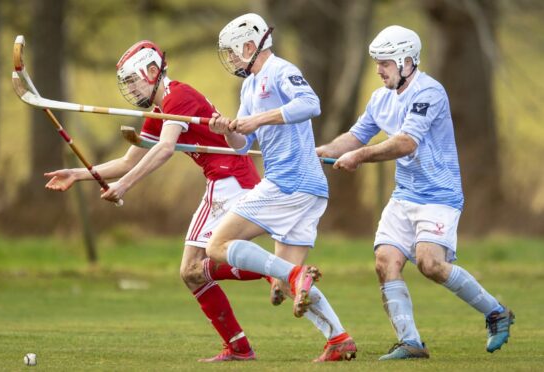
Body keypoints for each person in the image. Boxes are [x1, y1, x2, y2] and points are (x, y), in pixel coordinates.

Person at [44, 40, 266, 362]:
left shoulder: (178, 96)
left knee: (191, 269)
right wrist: (76, 174)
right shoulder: (160, 111)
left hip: (229, 180)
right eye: (128, 84)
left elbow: (163, 150)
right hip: (225, 181)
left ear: (152, 71)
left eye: (133, 80)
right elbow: (127, 161)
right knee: (192, 273)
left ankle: (276, 274)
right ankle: (241, 344)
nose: (131, 89)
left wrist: (123, 187)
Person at [316, 25, 515, 360]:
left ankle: (496, 313)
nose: (379, 69)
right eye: (377, 62)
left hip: (439, 194)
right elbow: (354, 138)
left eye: (386, 62)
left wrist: (359, 157)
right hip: (404, 195)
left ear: (407, 61)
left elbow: (406, 142)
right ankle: (410, 342)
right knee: (385, 261)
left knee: (430, 263)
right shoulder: (380, 98)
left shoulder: (429, 93)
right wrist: (322, 150)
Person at [206, 13, 356, 362]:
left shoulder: (280, 70)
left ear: (250, 45)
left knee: (217, 245)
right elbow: (242, 145)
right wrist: (226, 129)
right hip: (308, 190)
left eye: (232, 52)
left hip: (289, 183)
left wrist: (256, 118)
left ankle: (295, 273)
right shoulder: (249, 85)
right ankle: (339, 340)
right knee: (288, 286)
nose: (230, 59)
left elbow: (311, 104)